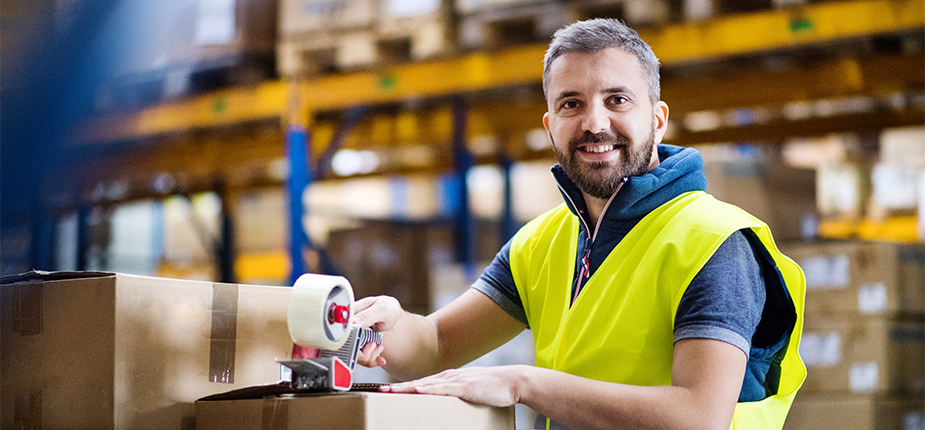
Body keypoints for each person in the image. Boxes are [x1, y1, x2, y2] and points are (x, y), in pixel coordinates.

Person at [351, 18, 806, 430]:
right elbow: (434, 344)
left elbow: (697, 417)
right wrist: (391, 327)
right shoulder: (540, 244)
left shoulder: (713, 242)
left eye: (618, 100)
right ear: (550, 126)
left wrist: (522, 383)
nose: (594, 122)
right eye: (572, 104)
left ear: (658, 119)